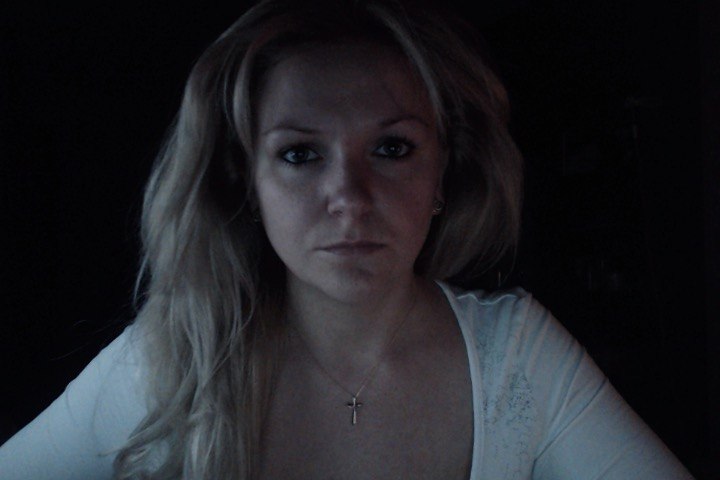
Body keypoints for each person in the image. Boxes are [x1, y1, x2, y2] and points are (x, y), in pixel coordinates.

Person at [0, 0, 696, 478]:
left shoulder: (518, 358)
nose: (351, 199)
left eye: (392, 148)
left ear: (444, 172)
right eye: (300, 154)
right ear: (248, 183)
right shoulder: (173, 358)